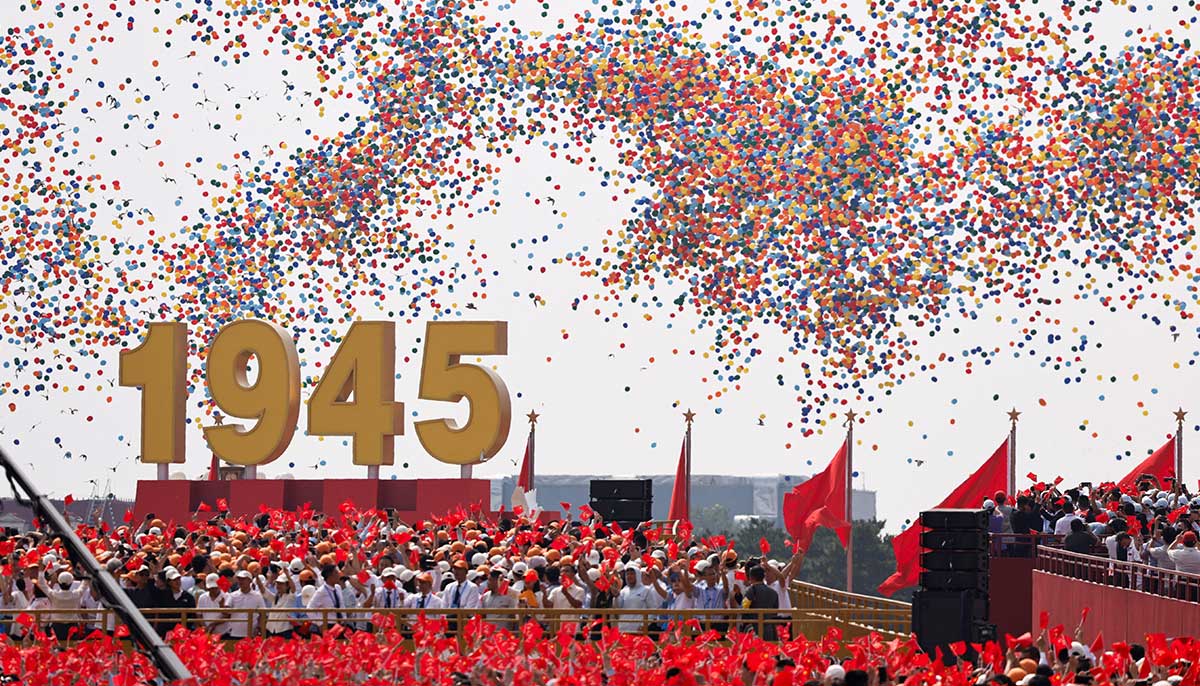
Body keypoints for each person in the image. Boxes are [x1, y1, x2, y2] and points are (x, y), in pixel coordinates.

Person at [37, 570, 88, 641]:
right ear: (71, 583)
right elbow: (84, 585)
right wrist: (86, 573)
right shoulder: (76, 595)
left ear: (59, 582)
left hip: (56, 626)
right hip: (72, 625)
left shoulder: (54, 595)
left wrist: (41, 570)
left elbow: (41, 584)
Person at [740, 565, 779, 640]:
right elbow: (775, 612)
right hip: (770, 629)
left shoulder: (751, 591)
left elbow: (744, 608)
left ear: (751, 577)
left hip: (754, 628)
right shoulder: (773, 593)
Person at [615, 566, 657, 633]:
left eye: (632, 574)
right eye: (627, 574)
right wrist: (616, 597)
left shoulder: (646, 590)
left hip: (639, 630)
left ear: (637, 575)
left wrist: (644, 625)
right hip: (623, 629)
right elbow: (618, 609)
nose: (629, 576)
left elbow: (653, 611)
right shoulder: (623, 591)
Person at [228, 569, 266, 638]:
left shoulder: (257, 596)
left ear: (250, 581)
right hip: (235, 633)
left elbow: (262, 614)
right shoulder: (232, 595)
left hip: (251, 633)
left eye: (243, 579)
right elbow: (227, 611)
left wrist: (258, 628)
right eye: (239, 579)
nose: (240, 581)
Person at [306, 565, 345, 630]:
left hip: (340, 624)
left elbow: (342, 605)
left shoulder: (338, 588)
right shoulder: (321, 591)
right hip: (329, 624)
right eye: (336, 573)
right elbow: (309, 609)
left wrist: (344, 619)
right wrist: (320, 623)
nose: (338, 575)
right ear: (329, 576)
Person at [196, 573, 230, 638]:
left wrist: (214, 624)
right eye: (211, 588)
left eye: (215, 588)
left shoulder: (227, 596)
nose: (213, 590)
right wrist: (204, 626)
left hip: (224, 633)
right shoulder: (202, 597)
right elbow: (199, 614)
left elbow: (228, 615)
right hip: (207, 633)